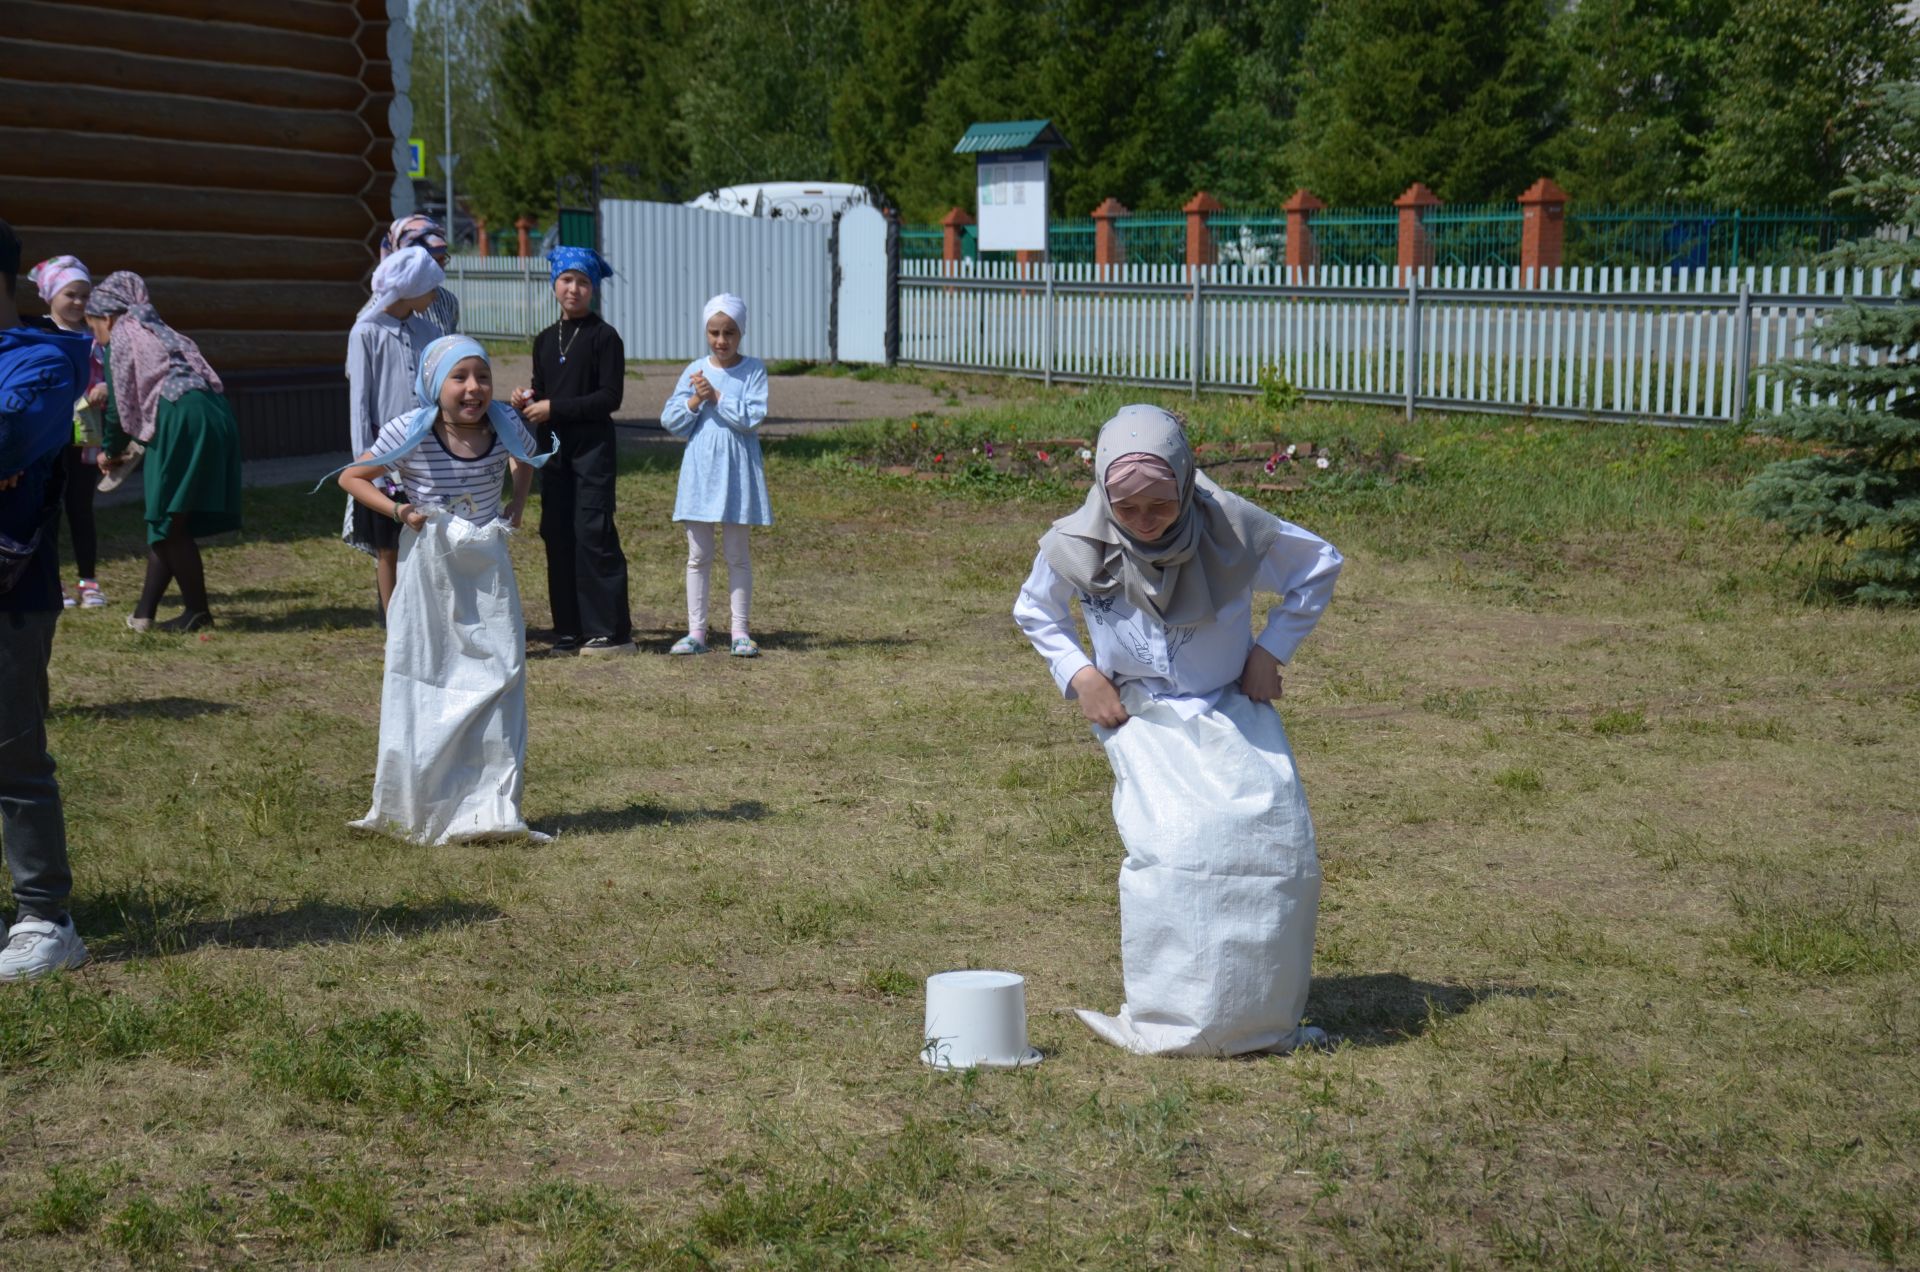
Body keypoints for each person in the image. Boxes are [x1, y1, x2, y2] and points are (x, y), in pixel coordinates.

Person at [1012, 405, 1343, 1057]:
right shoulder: (1080, 542)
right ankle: (1173, 1009)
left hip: (1229, 705)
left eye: (1159, 508)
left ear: (1187, 484)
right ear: (1105, 491)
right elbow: (1035, 608)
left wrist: (1270, 652)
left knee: (1276, 846)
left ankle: (1261, 1010)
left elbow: (1317, 567)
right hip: (1139, 715)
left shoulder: (1232, 531)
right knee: (1174, 851)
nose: (1142, 523)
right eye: (1126, 510)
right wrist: (1082, 676)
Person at [334, 336, 554, 843]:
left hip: (486, 571)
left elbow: (526, 455)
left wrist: (517, 504)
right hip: (430, 574)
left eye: (482, 376)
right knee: (427, 677)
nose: (474, 388)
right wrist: (400, 511)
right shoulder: (409, 431)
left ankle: (489, 806)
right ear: (436, 384)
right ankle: (421, 801)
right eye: (460, 377)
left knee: (500, 677)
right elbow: (353, 476)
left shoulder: (503, 423)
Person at [0, 219, 91, 981]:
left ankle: (45, 917)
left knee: (12, 753)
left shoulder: (44, 360)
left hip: (12, 596)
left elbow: (9, 439)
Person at [86, 272, 242, 633]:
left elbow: (115, 408)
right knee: (170, 520)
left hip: (178, 418)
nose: (97, 336)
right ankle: (144, 615)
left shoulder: (123, 334)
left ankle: (196, 612)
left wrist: (109, 452)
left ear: (106, 317)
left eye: (94, 328)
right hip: (213, 412)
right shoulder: (161, 330)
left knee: (166, 519)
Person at [510, 247, 633, 655]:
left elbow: (609, 398)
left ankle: (610, 631)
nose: (574, 289)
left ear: (593, 289)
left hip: (593, 451)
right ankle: (568, 628)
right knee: (558, 534)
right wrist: (527, 398)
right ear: (554, 285)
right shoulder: (546, 340)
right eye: (567, 280)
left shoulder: (604, 337)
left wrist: (554, 407)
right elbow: (543, 392)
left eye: (583, 282)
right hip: (554, 454)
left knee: (592, 534)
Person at [658, 293, 770, 658]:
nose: (721, 341)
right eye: (714, 332)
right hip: (701, 473)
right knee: (698, 555)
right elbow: (671, 420)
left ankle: (740, 631)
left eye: (729, 333)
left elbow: (751, 417)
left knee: (737, 555)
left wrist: (717, 395)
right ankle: (696, 632)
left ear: (741, 333)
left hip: (737, 473)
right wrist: (695, 399)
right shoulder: (694, 369)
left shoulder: (753, 370)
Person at [346, 245, 444, 619]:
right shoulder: (366, 332)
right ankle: (394, 622)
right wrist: (365, 460)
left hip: (428, 452)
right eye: (430, 288)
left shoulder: (429, 331)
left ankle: (430, 617)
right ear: (410, 289)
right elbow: (359, 400)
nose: (435, 296)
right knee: (387, 545)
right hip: (384, 456)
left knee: (427, 537)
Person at [27, 255, 107, 610]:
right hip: (47, 436)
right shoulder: (38, 333)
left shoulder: (94, 338)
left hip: (85, 435)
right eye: (70, 294)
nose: (78, 303)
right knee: (48, 507)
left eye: (84, 296)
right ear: (50, 295)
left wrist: (105, 387)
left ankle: (88, 581)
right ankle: (50, 579)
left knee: (80, 506)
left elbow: (109, 376)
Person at [380, 214, 460, 339]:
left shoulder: (448, 301)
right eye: (432, 261)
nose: (439, 268)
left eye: (442, 259)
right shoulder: (382, 307)